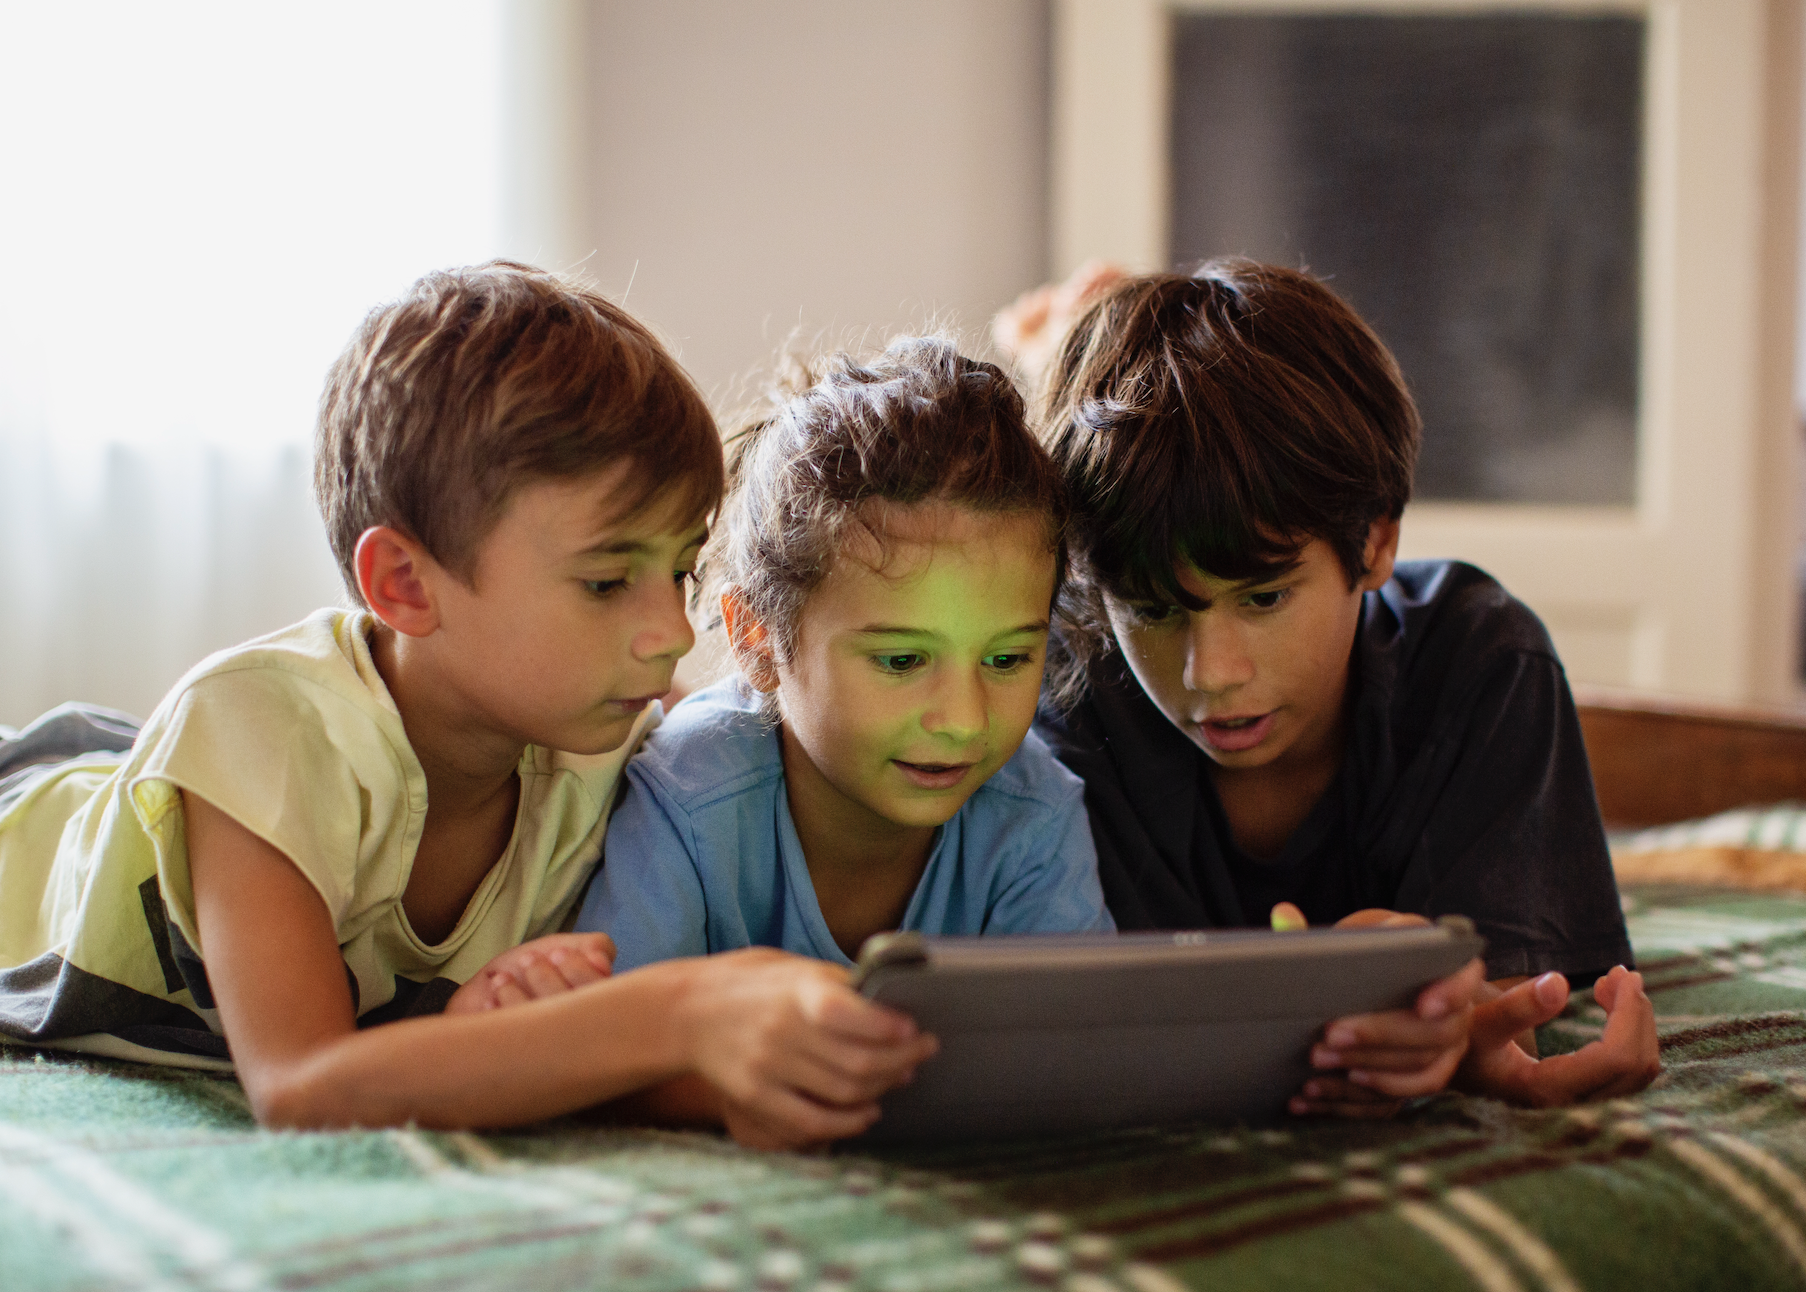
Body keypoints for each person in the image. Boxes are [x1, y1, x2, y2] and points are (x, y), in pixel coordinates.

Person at [0, 263, 935, 1149]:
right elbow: (302, 1082)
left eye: (681, 571)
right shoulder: (263, 727)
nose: (672, 632)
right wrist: (684, 1013)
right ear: (406, 584)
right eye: (609, 582)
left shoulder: (614, 743)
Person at [1003, 259, 1659, 1111]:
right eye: (1157, 611)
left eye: (1265, 596)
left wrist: (1458, 1033)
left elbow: (1503, 1009)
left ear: (1377, 544)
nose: (1213, 674)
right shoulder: (1058, 691)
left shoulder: (1478, 664)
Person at [575, 337, 1114, 973]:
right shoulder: (688, 796)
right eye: (902, 661)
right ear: (759, 642)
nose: (965, 720)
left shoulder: (1033, 815)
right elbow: (615, 1050)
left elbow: (1067, 1054)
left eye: (1005, 661)